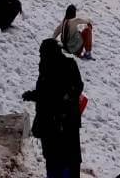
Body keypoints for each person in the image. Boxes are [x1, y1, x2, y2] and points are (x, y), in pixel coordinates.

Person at [23, 37, 83, 178]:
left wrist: (66, 100)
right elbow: (47, 93)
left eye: (42, 53)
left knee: (63, 161)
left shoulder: (65, 65)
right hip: (53, 123)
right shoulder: (49, 66)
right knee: (57, 161)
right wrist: (33, 95)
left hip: (63, 123)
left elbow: (76, 88)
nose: (40, 56)